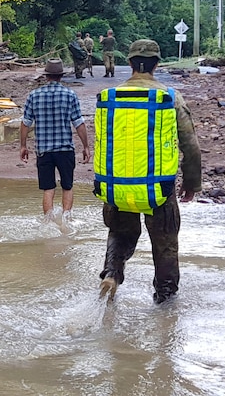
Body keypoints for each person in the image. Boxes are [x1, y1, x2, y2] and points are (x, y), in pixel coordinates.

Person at [93, 39, 202, 304]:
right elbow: (191, 146)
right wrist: (191, 184)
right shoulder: (170, 98)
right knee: (165, 244)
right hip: (158, 189)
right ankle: (165, 301)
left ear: (129, 63)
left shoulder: (111, 97)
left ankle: (112, 274)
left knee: (120, 234)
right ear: (157, 64)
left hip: (116, 185)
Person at [20, 59, 91, 224]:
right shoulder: (70, 95)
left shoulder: (34, 95)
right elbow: (79, 123)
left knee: (48, 188)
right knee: (67, 186)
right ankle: (66, 221)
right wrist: (86, 146)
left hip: (44, 150)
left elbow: (26, 123)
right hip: (65, 149)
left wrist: (23, 146)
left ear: (46, 76)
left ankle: (48, 224)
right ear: (60, 76)